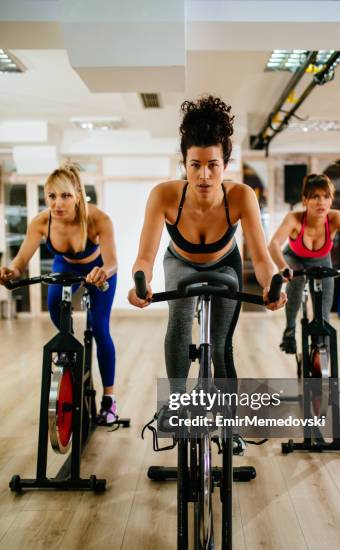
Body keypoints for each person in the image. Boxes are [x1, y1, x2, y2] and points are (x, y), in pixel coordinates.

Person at [128, 96, 286, 450]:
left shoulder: (242, 196)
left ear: (226, 163)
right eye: (194, 165)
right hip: (179, 263)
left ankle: (228, 427)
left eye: (213, 165)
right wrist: (141, 282)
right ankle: (177, 404)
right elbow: (145, 257)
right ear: (183, 163)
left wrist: (271, 287)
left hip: (224, 265)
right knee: (180, 324)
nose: (203, 175)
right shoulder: (164, 195)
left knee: (220, 346)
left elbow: (261, 259)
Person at [0, 164, 119, 424]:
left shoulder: (98, 219)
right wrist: (11, 270)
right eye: (52, 196)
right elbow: (20, 262)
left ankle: (109, 401)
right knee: (54, 305)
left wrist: (103, 272)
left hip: (97, 270)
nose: (57, 203)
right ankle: (70, 349)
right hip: (65, 266)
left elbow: (112, 263)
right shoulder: (41, 222)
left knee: (100, 328)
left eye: (65, 196)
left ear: (78, 195)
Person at [268, 172, 340, 354]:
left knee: (324, 314)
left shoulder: (336, 218)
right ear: (305, 201)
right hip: (294, 257)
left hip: (322, 260)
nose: (321, 202)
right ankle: (289, 332)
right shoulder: (294, 219)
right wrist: (283, 268)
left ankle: (319, 347)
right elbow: (273, 244)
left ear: (331, 200)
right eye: (315, 196)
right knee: (296, 281)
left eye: (326, 196)